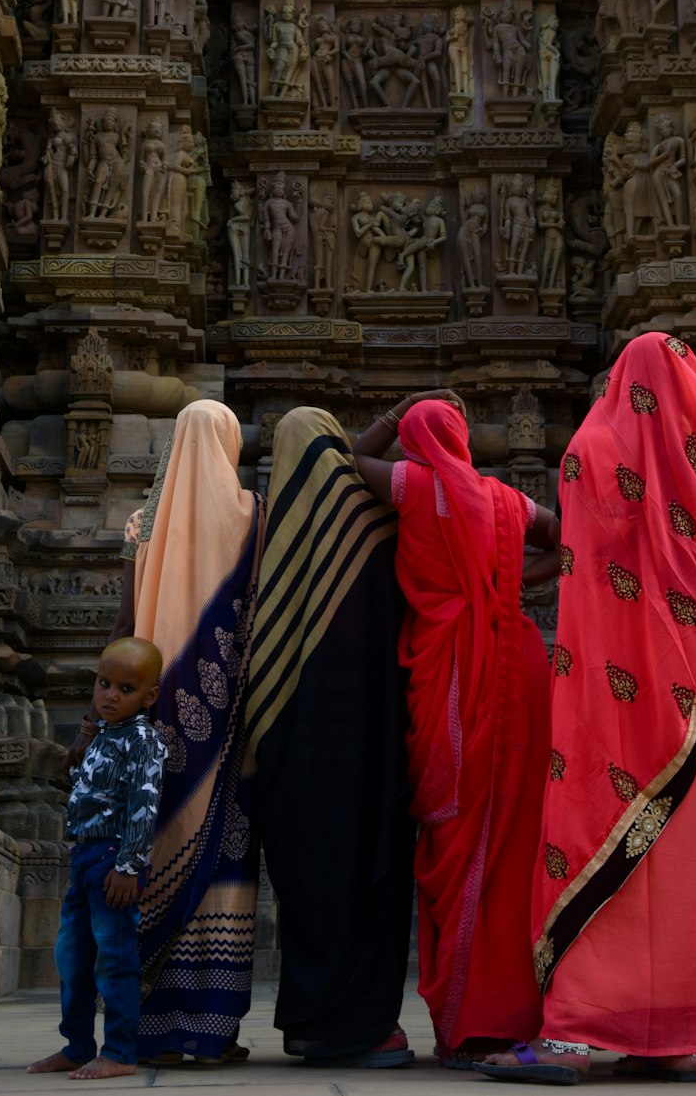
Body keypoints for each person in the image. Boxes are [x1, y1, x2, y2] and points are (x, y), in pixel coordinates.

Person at [481, 333, 696, 1085]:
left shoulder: (594, 445)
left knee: (591, 829)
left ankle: (571, 1036)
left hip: (610, 688)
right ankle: (672, 1031)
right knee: (688, 853)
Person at [353, 390, 561, 1068]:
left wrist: (395, 412)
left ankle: (464, 1019)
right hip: (520, 663)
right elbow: (562, 536)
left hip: (449, 671)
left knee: (457, 837)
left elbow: (353, 457)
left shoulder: (416, 482)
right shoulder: (504, 498)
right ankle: (509, 1010)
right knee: (513, 841)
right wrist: (512, 582)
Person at [246, 407, 416, 1068]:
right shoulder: (375, 521)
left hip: (297, 744)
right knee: (368, 879)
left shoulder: (277, 536)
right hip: (371, 744)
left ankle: (312, 1022)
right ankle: (364, 1025)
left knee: (308, 880)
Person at [110, 401, 263, 1066]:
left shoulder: (144, 527)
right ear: (228, 445)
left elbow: (123, 626)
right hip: (228, 734)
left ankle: (148, 1026)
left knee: (151, 854)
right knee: (224, 865)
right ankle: (211, 1029)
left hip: (153, 726)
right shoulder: (254, 516)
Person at [29, 637, 167, 1081]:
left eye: (125, 689)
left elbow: (144, 805)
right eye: (104, 683)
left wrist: (129, 866)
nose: (110, 695)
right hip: (85, 855)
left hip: (114, 858)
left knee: (115, 958)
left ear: (149, 697)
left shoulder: (144, 740)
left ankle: (121, 1051)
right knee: (72, 955)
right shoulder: (103, 733)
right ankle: (77, 1044)